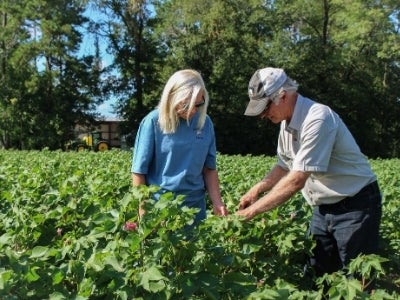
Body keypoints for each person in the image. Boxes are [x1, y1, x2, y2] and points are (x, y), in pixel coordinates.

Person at [236, 67, 382, 277]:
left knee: (357, 280)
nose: (263, 115)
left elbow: (296, 180)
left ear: (282, 96)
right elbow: (283, 165)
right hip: (323, 209)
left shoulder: (318, 118)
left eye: (265, 108)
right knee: (316, 277)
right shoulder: (285, 123)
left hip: (356, 207)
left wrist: (251, 212)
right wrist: (255, 190)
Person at [131, 69, 228, 228]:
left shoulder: (205, 123)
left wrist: (217, 203)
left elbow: (209, 169)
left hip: (195, 209)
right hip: (160, 209)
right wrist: (144, 213)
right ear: (173, 97)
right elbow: (139, 172)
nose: (194, 110)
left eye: (198, 104)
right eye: (187, 104)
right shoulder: (153, 122)